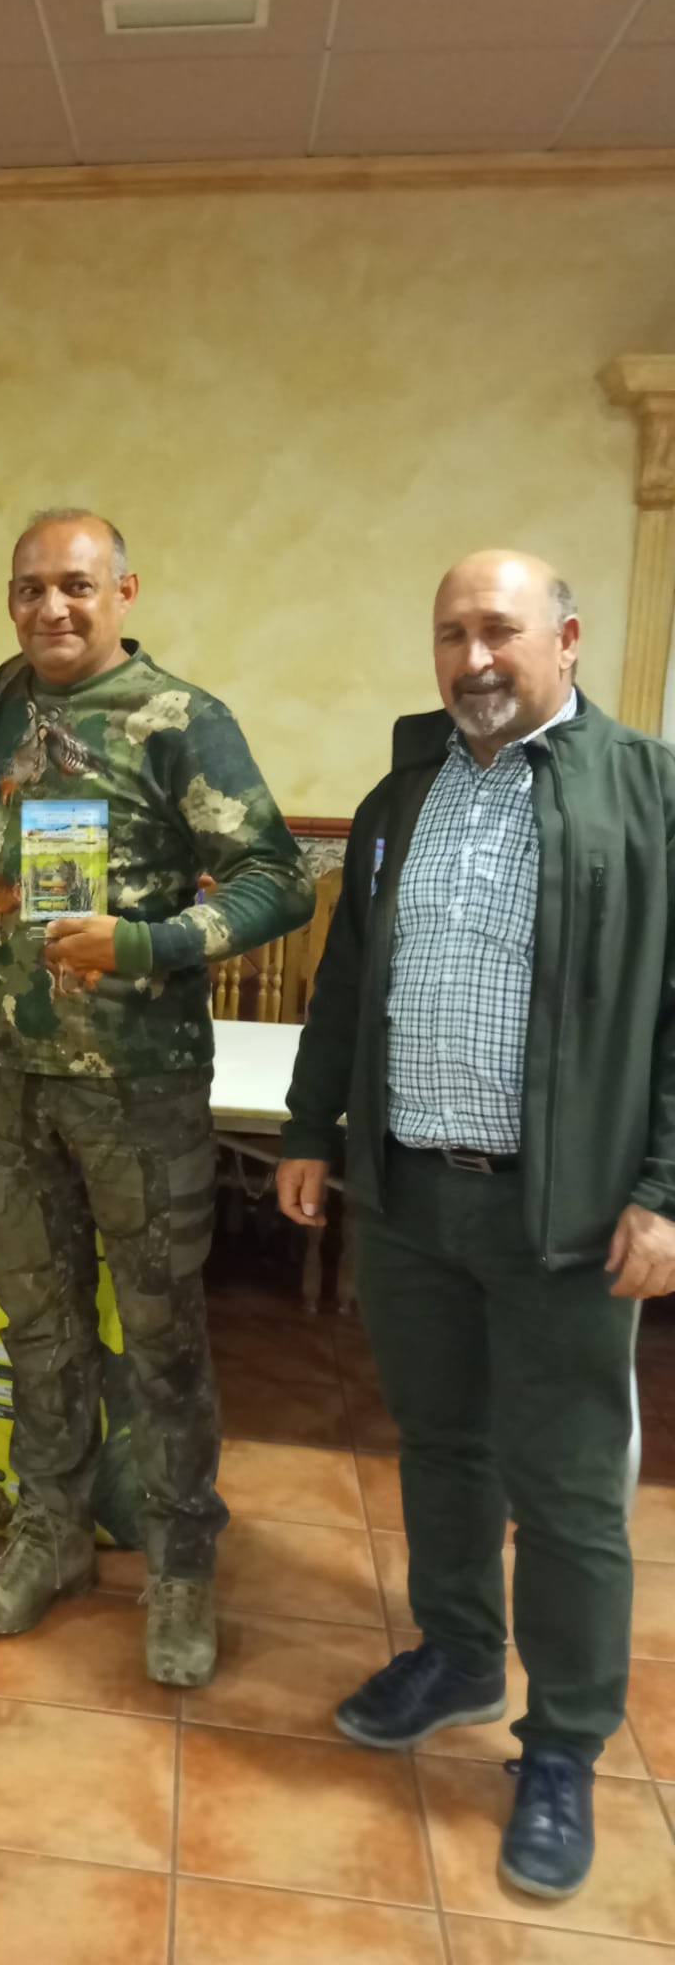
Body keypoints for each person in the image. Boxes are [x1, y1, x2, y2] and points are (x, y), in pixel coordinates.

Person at [277, 550, 675, 1899]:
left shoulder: (647, 793)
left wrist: (667, 1191)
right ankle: (456, 1652)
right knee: (440, 1444)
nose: (473, 657)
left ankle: (560, 1743)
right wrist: (308, 1133)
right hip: (407, 1200)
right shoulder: (405, 795)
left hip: (562, 1217)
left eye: (499, 629)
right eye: (451, 633)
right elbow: (343, 989)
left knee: (566, 1490)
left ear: (565, 637)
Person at [0, 509, 313, 1683]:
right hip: (11, 1083)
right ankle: (51, 1533)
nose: (51, 609)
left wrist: (156, 943)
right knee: (40, 1328)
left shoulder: (182, 722)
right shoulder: (8, 696)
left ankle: (178, 1564)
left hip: (140, 1092)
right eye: (29, 588)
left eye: (75, 586)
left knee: (160, 1339)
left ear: (125, 592)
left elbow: (278, 878)